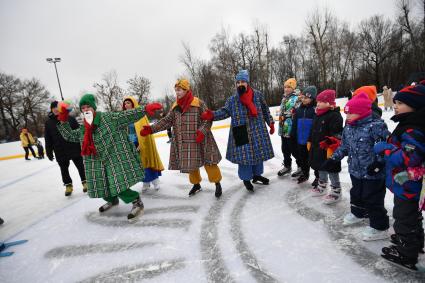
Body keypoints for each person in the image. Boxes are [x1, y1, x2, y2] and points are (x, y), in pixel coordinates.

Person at [57, 94, 161, 221]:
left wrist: (145, 109)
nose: (86, 109)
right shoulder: (84, 127)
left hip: (114, 158)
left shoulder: (109, 118)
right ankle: (112, 200)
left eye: (88, 106)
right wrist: (63, 120)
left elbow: (128, 115)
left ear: (94, 107)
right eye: (83, 107)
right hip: (95, 161)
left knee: (117, 184)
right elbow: (70, 136)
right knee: (101, 185)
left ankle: (136, 201)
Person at [323, 92, 390, 240]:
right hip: (355, 170)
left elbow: (385, 147)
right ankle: (359, 213)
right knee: (356, 193)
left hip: (373, 172)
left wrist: (379, 162)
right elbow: (344, 146)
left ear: (361, 113)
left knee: (373, 198)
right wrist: (334, 158)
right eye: (346, 113)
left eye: (351, 113)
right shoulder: (349, 127)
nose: (347, 117)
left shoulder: (376, 126)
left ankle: (380, 227)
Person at [141, 79, 223, 198]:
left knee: (209, 162)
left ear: (186, 90)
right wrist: (151, 129)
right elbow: (167, 121)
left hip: (201, 139)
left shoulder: (198, 103)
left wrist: (202, 131)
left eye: (179, 90)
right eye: (176, 90)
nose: (177, 93)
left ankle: (217, 183)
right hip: (185, 142)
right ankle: (196, 185)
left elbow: (207, 119)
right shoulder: (175, 106)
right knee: (191, 164)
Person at [374, 84, 425, 270]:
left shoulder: (413, 129)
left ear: (415, 105)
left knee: (403, 216)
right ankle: (415, 240)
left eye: (401, 103)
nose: (395, 106)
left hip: (408, 183)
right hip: (405, 182)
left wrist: (387, 150)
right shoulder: (408, 124)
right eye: (395, 102)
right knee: (411, 215)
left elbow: (409, 157)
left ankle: (407, 252)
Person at [200, 70, 274, 192]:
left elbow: (265, 109)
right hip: (241, 131)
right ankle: (246, 179)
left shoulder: (258, 95)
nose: (240, 84)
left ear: (247, 82)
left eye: (243, 81)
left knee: (258, 155)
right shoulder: (233, 100)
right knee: (244, 158)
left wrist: (270, 122)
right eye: (238, 82)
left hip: (258, 129)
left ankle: (256, 175)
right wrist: (212, 115)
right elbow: (224, 112)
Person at [308, 90, 344, 204]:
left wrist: (330, 144)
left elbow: (337, 133)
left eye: (321, 101)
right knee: (320, 166)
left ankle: (336, 191)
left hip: (329, 148)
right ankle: (322, 185)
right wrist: (309, 140)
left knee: (331, 169)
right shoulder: (317, 114)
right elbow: (312, 129)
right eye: (318, 101)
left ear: (329, 103)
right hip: (317, 146)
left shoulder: (335, 116)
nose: (318, 103)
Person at [45, 101, 87, 196]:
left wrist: (83, 145)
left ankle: (85, 182)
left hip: (73, 147)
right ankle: (68, 185)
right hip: (60, 150)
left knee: (80, 166)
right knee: (64, 169)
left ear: (60, 108)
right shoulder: (48, 123)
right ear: (51, 109)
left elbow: (79, 132)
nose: (55, 109)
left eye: (57, 107)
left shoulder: (70, 118)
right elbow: (48, 138)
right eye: (53, 107)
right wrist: (49, 151)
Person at [122, 96, 164, 191]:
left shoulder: (140, 115)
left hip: (142, 141)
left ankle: (155, 180)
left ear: (133, 103)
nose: (126, 105)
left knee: (147, 160)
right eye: (125, 103)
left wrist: (141, 143)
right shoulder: (124, 116)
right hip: (131, 142)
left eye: (128, 103)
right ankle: (145, 181)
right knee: (138, 164)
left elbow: (144, 129)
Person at [291, 86, 317, 184]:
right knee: (303, 159)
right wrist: (293, 134)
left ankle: (318, 177)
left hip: (311, 141)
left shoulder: (315, 110)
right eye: (302, 97)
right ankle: (305, 174)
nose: (304, 100)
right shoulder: (299, 110)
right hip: (300, 140)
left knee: (313, 160)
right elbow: (294, 124)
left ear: (312, 98)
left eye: (306, 98)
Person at [277, 78, 299, 177]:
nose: (286, 89)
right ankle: (287, 166)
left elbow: (297, 114)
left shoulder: (297, 98)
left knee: (294, 149)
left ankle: (301, 167)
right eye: (285, 87)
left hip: (291, 129)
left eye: (289, 87)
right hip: (283, 128)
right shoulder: (284, 98)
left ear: (293, 88)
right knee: (285, 149)